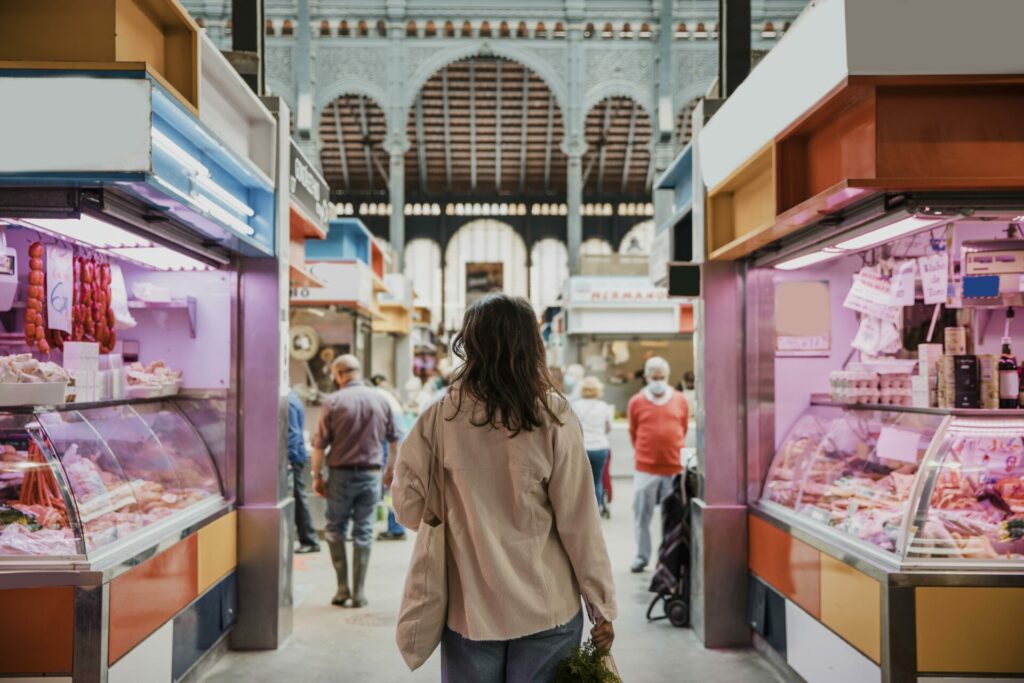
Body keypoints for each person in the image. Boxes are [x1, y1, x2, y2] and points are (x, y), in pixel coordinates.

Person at [389, 294, 616, 683]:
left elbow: (407, 509)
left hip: (470, 609)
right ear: (532, 345)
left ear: (470, 344)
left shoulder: (441, 416)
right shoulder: (553, 414)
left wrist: (454, 507)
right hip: (550, 607)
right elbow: (580, 522)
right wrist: (601, 604)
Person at [311, 354, 399, 608]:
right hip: (371, 474)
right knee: (364, 531)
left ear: (339, 375)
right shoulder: (381, 400)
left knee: (335, 529)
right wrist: (390, 469)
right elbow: (395, 439)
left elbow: (319, 445)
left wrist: (316, 476)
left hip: (340, 475)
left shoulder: (333, 401)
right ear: (358, 372)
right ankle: (359, 593)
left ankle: (342, 590)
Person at [627, 356, 689, 573]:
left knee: (672, 517)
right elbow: (633, 431)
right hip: (646, 469)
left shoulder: (680, 400)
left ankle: (667, 558)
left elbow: (683, 427)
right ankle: (641, 556)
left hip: (673, 468)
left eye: (662, 377)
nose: (659, 381)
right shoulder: (636, 401)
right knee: (642, 515)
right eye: (655, 377)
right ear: (646, 377)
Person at [372, 375, 409, 541]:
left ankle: (396, 529)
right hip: (396, 444)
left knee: (389, 489)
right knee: (391, 489)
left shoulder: (376, 397)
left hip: (392, 446)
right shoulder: (386, 396)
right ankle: (395, 527)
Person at [571, 377, 613, 509]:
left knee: (580, 482)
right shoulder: (604, 406)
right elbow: (608, 428)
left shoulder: (575, 406)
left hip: (582, 448)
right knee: (597, 480)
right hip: (600, 448)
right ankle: (597, 510)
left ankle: (581, 511)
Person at [288, 390, 320, 554]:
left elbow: (292, 433)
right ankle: (308, 538)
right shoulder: (293, 398)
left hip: (293, 459)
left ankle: (309, 539)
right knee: (298, 497)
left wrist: (288, 460)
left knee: (299, 498)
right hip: (295, 456)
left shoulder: (288, 402)